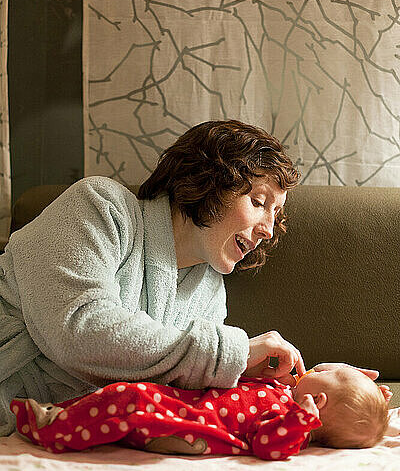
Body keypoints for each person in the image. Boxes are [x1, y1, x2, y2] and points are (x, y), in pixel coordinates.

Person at [0, 119, 307, 437]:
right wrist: (234, 354)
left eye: (276, 214)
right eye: (258, 202)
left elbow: (185, 395)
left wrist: (259, 381)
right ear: (209, 181)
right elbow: (79, 330)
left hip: (67, 436)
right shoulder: (101, 206)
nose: (268, 230)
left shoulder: (210, 291)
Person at [11, 363, 391, 460]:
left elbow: (267, 446)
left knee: (131, 401)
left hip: (194, 429)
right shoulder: (285, 390)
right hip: (188, 404)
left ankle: (52, 430)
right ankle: (59, 412)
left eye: (331, 373)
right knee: (119, 395)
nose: (321, 368)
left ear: (319, 404)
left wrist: (303, 418)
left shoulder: (295, 427)